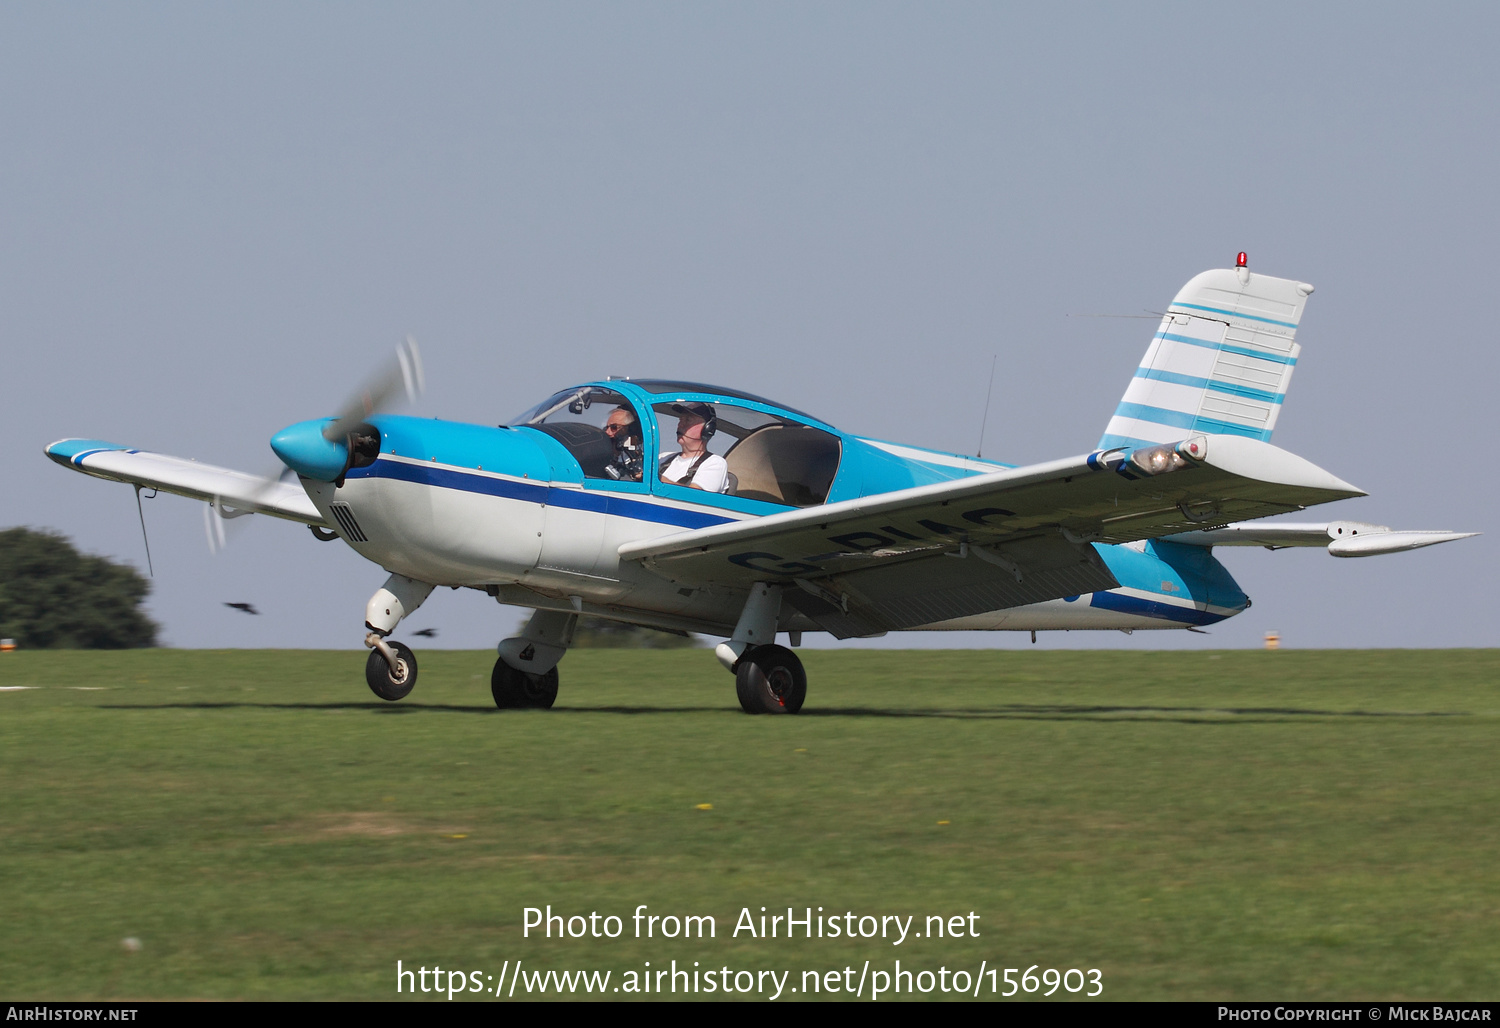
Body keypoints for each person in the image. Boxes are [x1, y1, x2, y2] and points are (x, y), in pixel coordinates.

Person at [660, 402, 729, 492]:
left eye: (688, 420)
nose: (680, 425)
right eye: (680, 420)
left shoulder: (715, 463)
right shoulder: (662, 458)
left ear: (707, 429)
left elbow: (695, 497)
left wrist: (657, 479)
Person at [602, 405, 643, 481]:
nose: (607, 432)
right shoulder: (602, 454)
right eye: (606, 428)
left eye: (614, 427)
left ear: (630, 429)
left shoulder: (641, 458)